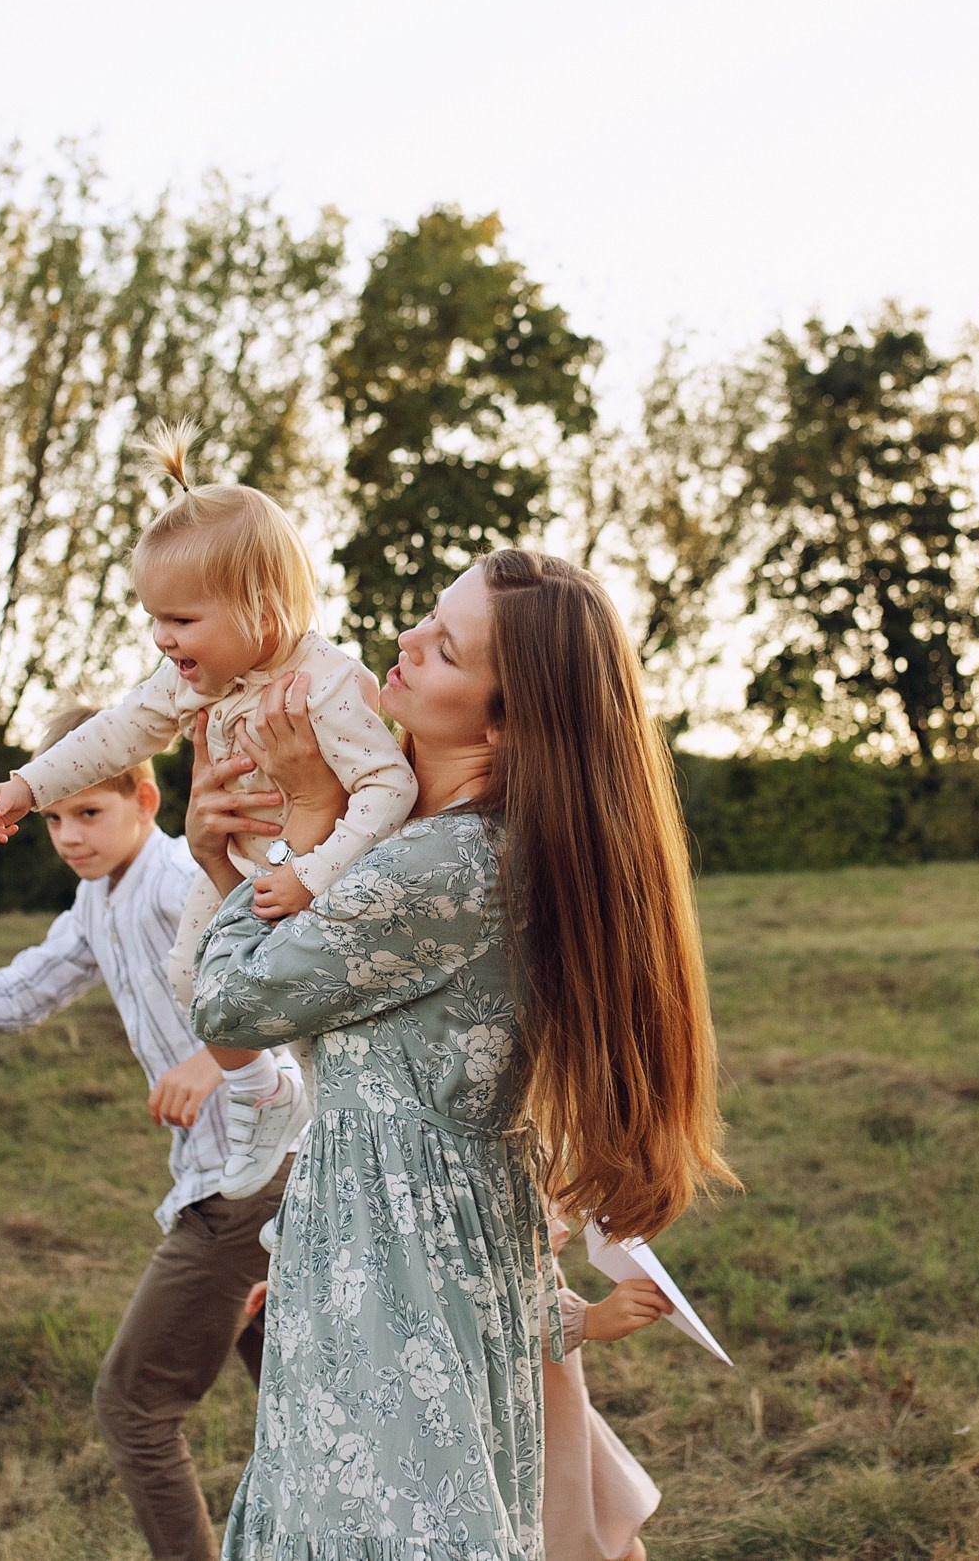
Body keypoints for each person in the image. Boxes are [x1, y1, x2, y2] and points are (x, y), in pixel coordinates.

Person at [183, 547, 738, 1559]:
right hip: (401, 1232)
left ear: (506, 718)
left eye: (442, 645)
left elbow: (227, 1002)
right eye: (425, 621)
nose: (402, 641)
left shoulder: (441, 864)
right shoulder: (469, 840)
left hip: (392, 1250)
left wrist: (301, 826)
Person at [0, 704, 297, 1561]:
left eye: (90, 812)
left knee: (133, 1406)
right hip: (234, 1176)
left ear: (145, 799)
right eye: (53, 819)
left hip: (249, 1179)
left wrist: (221, 1052)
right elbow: (15, 996)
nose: (71, 836)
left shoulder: (174, 879)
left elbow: (294, 974)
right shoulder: (94, 902)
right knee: (308, 1407)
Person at [0, 419, 417, 1203]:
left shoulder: (328, 683)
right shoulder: (201, 681)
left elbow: (389, 788)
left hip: (325, 881)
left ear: (262, 610)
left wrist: (312, 874)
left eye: (180, 619)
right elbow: (119, 729)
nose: (163, 640)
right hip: (241, 869)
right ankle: (264, 1096)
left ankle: (316, 1165)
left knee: (316, 1028)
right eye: (155, 619)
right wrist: (27, 786)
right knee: (188, 971)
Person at [542, 1209, 671, 1561]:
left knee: (613, 1544)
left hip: (552, 1389)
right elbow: (472, 1308)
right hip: (510, 1395)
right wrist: (586, 1319)